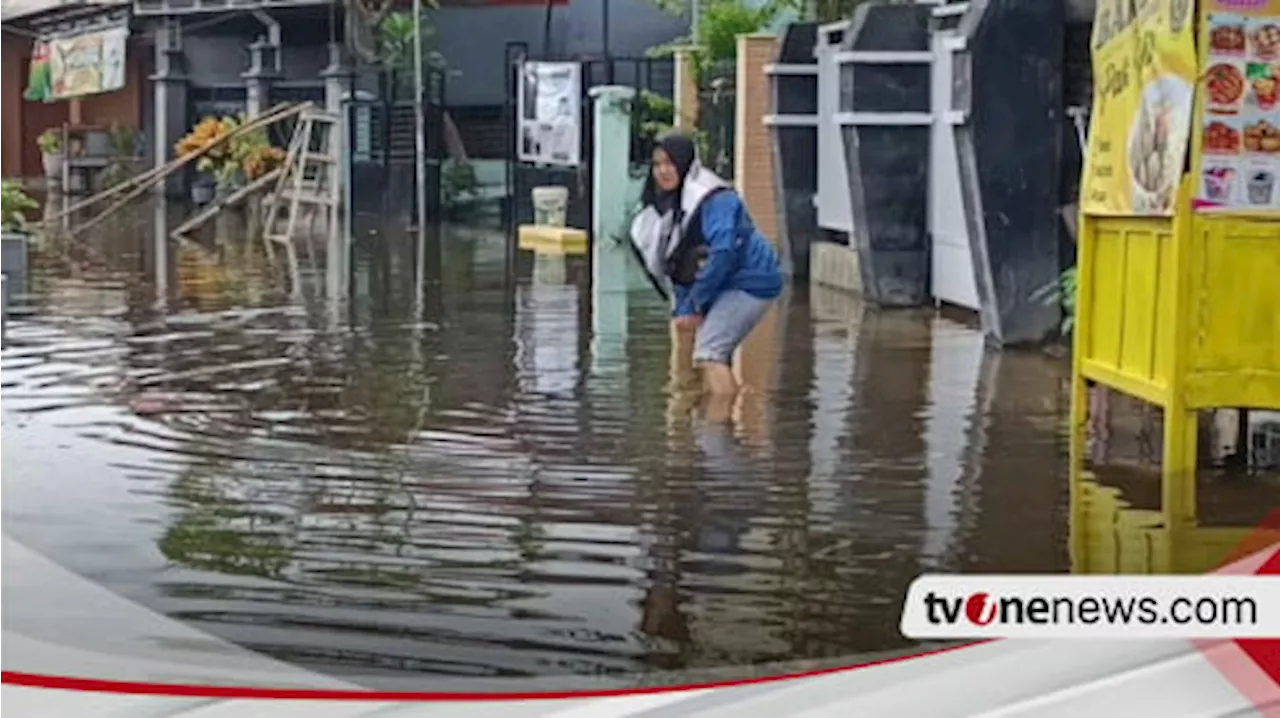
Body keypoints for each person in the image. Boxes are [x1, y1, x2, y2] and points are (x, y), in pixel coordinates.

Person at [629, 133, 783, 396]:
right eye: (657, 165)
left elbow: (724, 252)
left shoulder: (714, 198)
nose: (662, 171)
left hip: (751, 280)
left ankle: (718, 427)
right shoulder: (667, 205)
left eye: (670, 163)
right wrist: (684, 307)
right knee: (690, 339)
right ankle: (689, 413)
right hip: (718, 281)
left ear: (686, 163)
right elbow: (674, 263)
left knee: (709, 353)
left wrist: (696, 302)